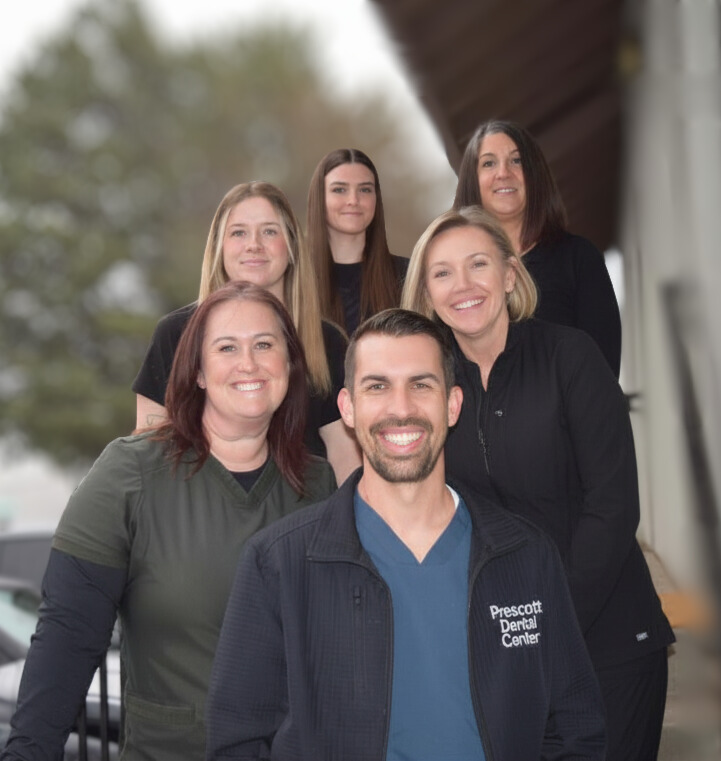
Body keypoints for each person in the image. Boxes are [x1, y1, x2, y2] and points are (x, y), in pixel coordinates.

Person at [205, 308, 606, 761]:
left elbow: (575, 730)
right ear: (348, 409)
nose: (401, 408)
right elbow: (237, 744)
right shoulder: (279, 564)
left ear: (452, 405)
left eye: (421, 384)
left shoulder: (526, 556)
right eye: (377, 386)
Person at [1, 283, 336, 761]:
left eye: (265, 344)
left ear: (290, 364)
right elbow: (67, 637)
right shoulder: (129, 474)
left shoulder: (320, 487)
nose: (249, 362)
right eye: (226, 347)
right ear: (197, 372)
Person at [402, 207, 675, 761]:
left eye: (478, 264)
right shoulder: (433, 388)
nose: (464, 285)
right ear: (428, 295)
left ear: (509, 274)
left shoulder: (570, 357)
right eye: (443, 273)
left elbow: (614, 505)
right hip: (506, 647)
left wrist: (547, 621)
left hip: (609, 642)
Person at [133, 181, 360, 482]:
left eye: (269, 231)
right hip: (199, 517)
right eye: (239, 232)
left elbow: (345, 457)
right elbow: (148, 450)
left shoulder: (327, 341)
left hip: (303, 514)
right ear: (219, 247)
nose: (254, 244)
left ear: (291, 247)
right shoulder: (175, 334)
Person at [454, 119, 622, 376]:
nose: (503, 173)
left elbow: (603, 371)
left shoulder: (578, 258)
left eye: (517, 161)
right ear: (471, 181)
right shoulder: (451, 268)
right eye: (489, 163)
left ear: (535, 174)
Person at [306, 148, 408, 335]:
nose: (353, 200)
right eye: (339, 190)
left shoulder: (407, 275)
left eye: (364, 189)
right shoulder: (295, 276)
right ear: (319, 198)